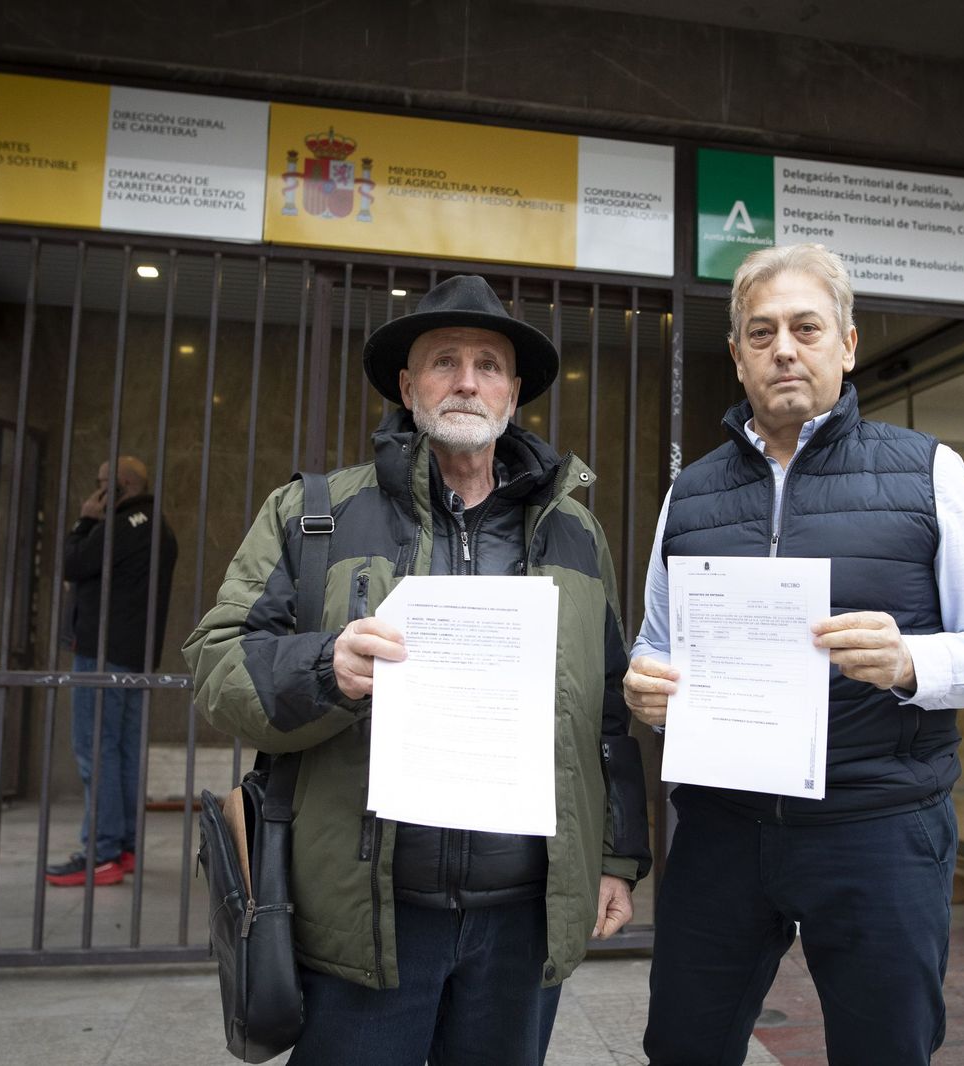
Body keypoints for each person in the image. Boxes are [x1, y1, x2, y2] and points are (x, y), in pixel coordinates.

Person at [183, 274, 651, 1066]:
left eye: (488, 364)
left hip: (520, 920)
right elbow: (215, 663)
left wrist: (616, 858)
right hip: (366, 921)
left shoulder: (575, 531)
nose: (467, 380)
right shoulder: (313, 515)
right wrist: (324, 666)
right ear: (408, 385)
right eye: (444, 361)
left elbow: (605, 709)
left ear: (513, 392)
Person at [624, 244, 964, 1066]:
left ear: (846, 345)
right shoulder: (693, 492)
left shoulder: (927, 472)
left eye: (806, 328)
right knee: (681, 1045)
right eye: (761, 332)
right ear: (739, 357)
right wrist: (647, 683)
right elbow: (656, 642)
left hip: (878, 828)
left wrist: (911, 662)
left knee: (885, 1051)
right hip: (722, 828)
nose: (784, 347)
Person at [45, 455, 178, 887]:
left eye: (102, 484)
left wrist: (85, 521)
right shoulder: (159, 528)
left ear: (119, 486)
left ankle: (101, 852)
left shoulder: (117, 525)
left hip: (102, 654)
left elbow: (72, 563)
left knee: (96, 751)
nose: (96, 493)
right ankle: (123, 847)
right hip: (136, 659)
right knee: (122, 753)